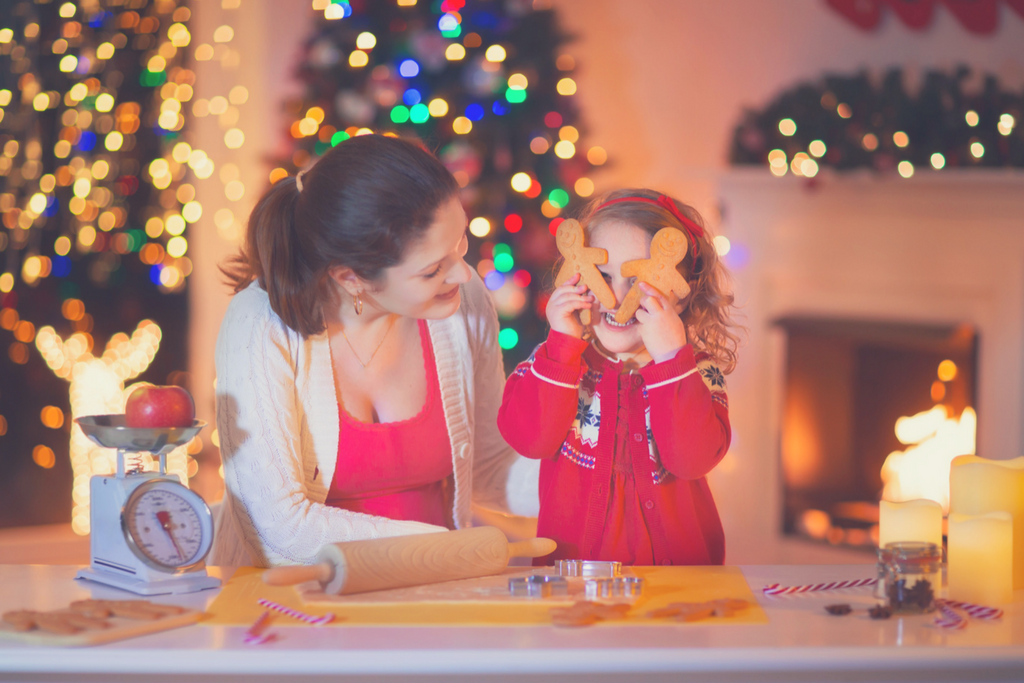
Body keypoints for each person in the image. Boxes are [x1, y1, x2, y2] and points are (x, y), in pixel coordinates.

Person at [212, 134, 538, 567]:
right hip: (295, 604)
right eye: (431, 270)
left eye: (460, 244)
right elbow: (280, 531)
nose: (462, 274)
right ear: (352, 278)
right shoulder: (259, 323)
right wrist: (443, 549)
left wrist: (604, 478)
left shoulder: (462, 305)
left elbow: (490, 465)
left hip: (434, 587)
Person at [497, 189, 739, 566]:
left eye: (641, 282)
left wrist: (671, 360)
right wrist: (561, 346)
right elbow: (530, 440)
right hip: (572, 579)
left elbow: (692, 460)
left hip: (680, 586)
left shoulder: (697, 371)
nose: (614, 298)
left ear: (682, 297)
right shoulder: (554, 362)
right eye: (602, 275)